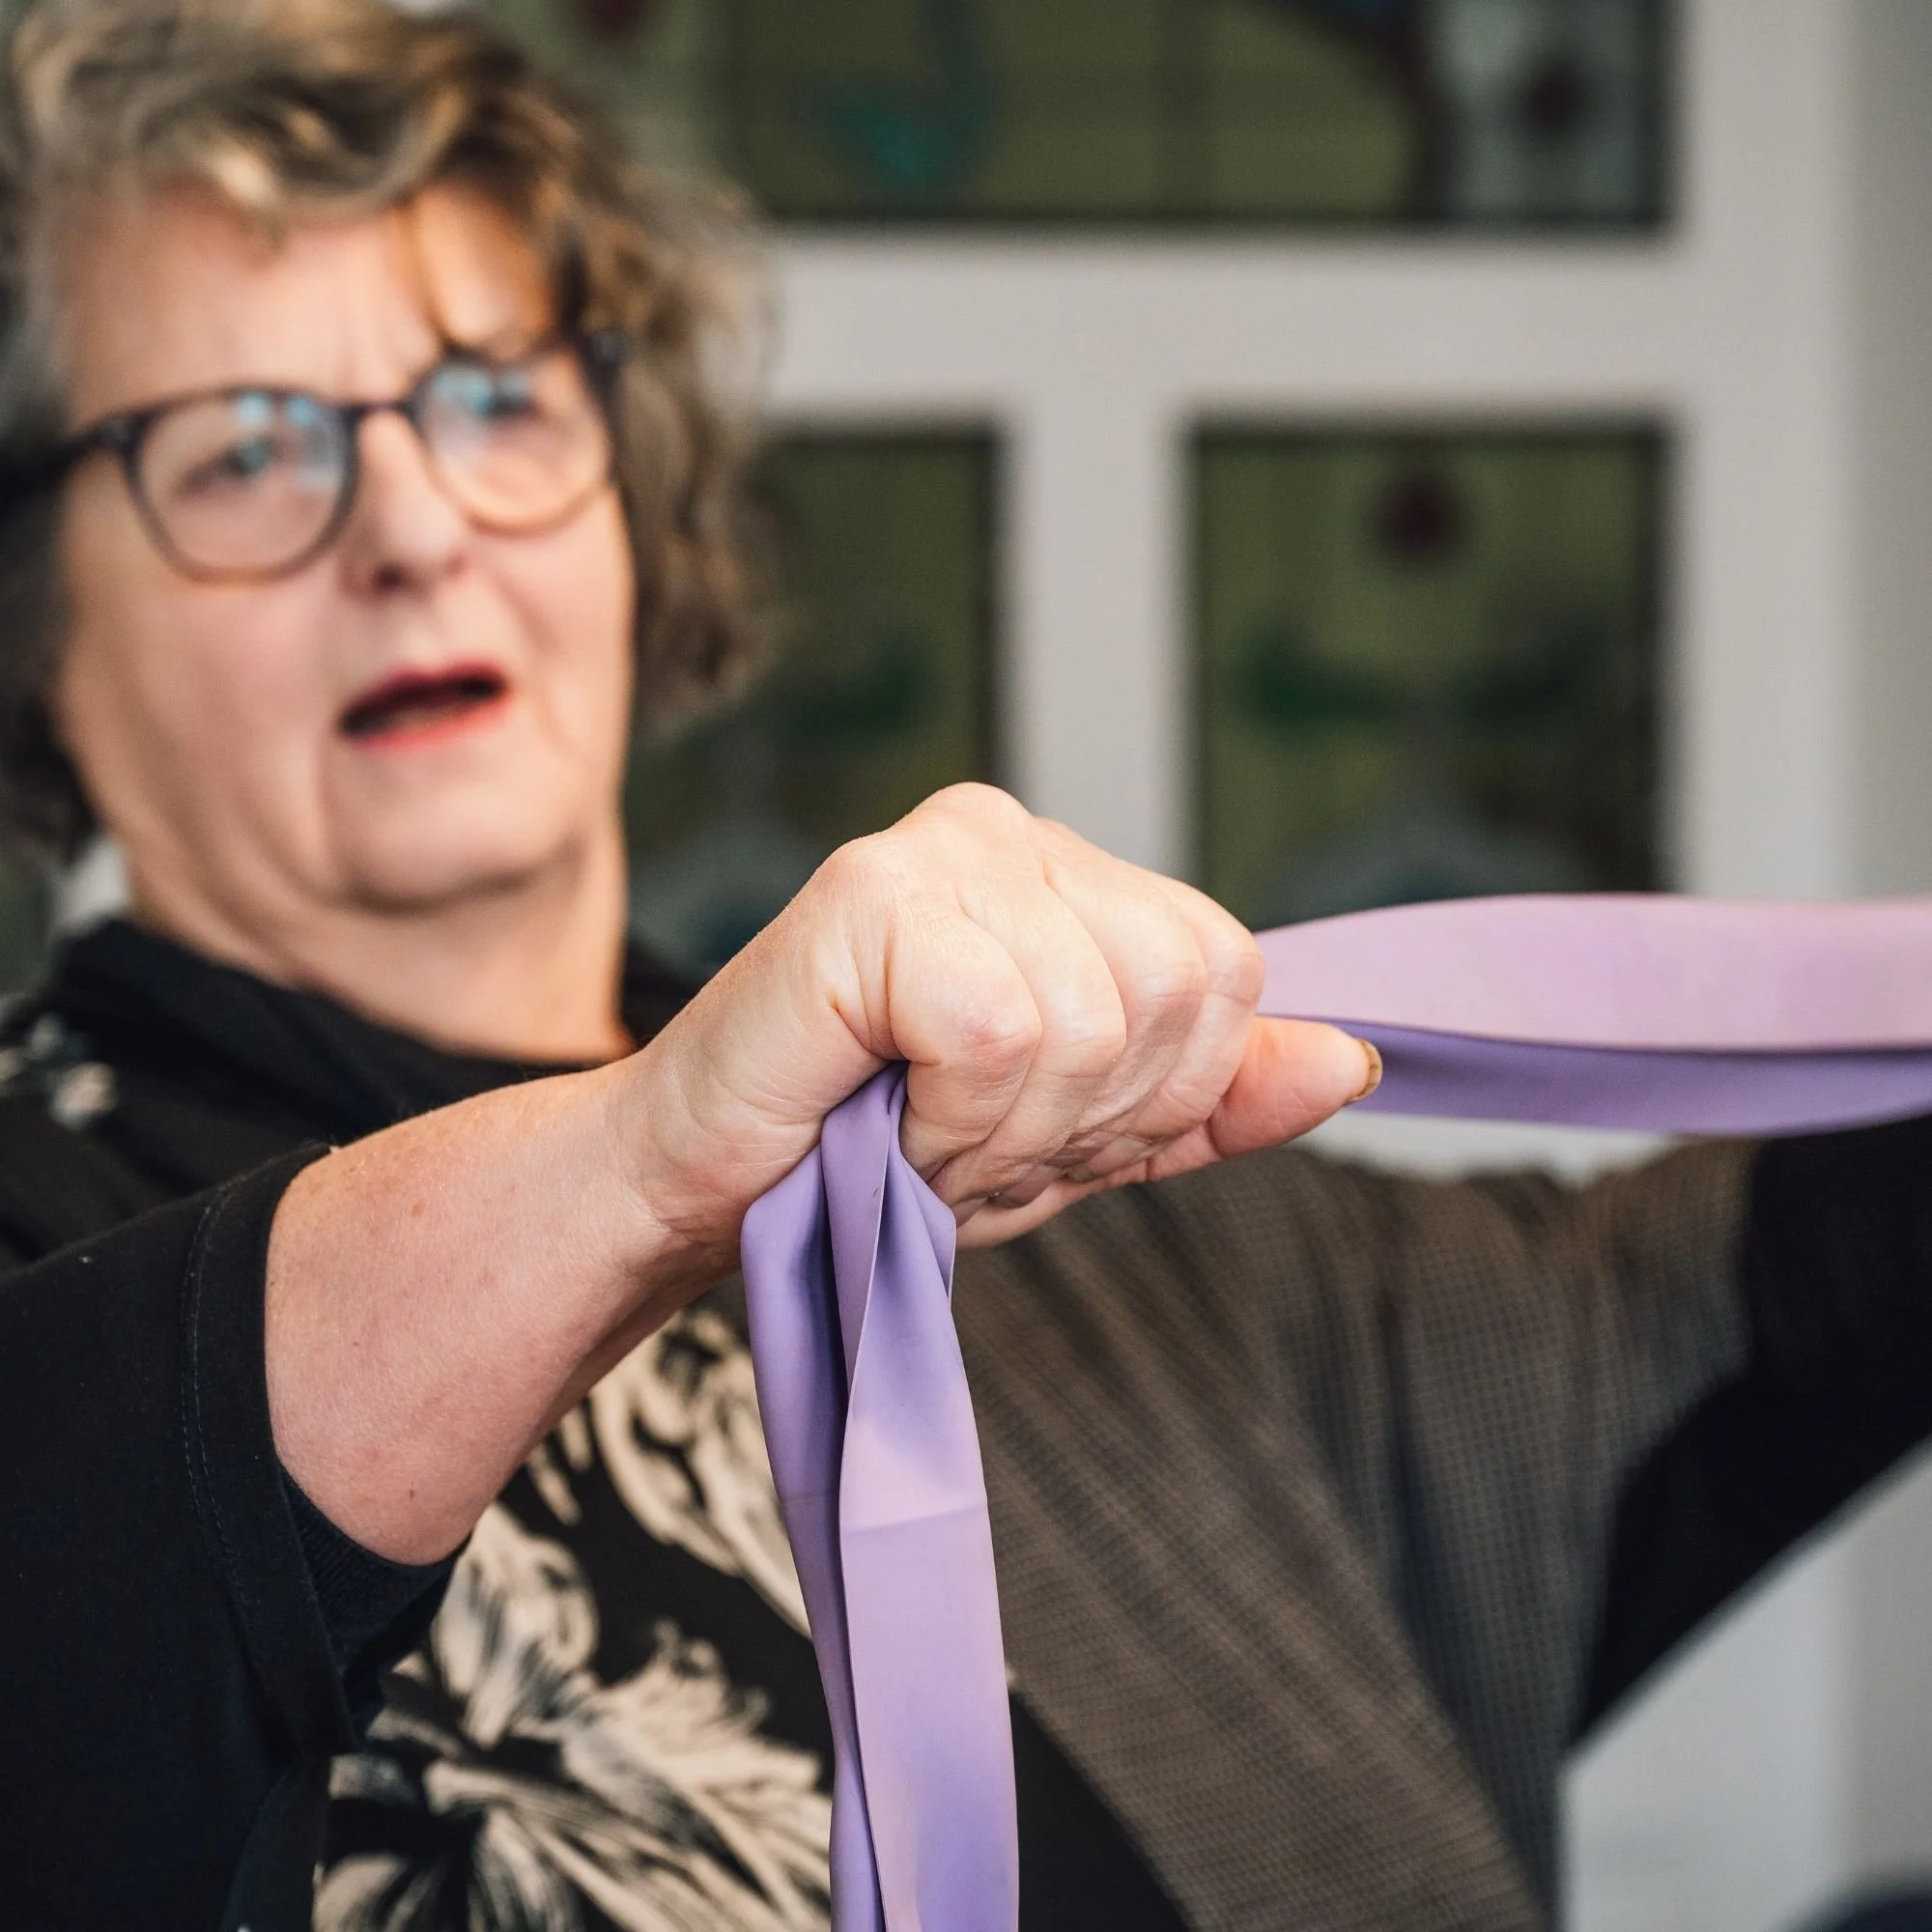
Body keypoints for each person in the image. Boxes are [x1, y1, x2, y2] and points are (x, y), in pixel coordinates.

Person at [0, 2, 1925, 1928]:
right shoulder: (50, 1245)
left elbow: (1766, 1299)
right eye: (247, 449)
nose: (414, 527)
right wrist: (649, 1159)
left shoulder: (1050, 1184)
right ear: (32, 621)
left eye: (497, 397)